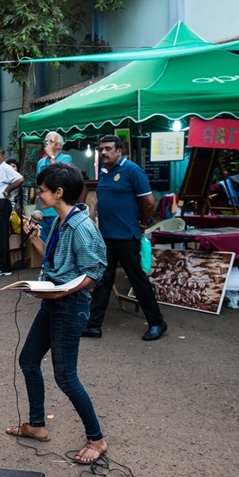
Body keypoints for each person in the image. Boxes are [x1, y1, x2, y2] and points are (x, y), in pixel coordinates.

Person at [6, 162, 108, 465]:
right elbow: (56, 265)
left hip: (69, 306)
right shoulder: (61, 223)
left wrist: (64, 292)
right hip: (52, 302)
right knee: (28, 361)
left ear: (59, 193)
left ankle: (97, 438)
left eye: (43, 190)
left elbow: (95, 271)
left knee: (66, 377)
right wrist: (35, 237)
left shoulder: (81, 227)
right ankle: (37, 425)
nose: (39, 195)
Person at [85, 135, 167, 341]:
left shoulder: (132, 170)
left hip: (127, 235)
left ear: (119, 151)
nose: (103, 152)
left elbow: (149, 201)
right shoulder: (104, 172)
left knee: (137, 280)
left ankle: (157, 322)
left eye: (108, 149)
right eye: (101, 149)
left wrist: (143, 221)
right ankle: (94, 324)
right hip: (107, 236)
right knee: (103, 280)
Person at [0, 147, 24, 277]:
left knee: (1, 236)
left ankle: (4, 267)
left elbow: (20, 179)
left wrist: (8, 189)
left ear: (2, 156)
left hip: (0, 204)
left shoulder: (6, 168)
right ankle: (1, 264)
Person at [35, 132, 73, 241]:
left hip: (57, 210)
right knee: (45, 244)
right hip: (43, 210)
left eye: (51, 141)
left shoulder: (66, 158)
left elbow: (58, 177)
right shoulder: (41, 162)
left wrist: (51, 156)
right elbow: (39, 186)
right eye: (46, 141)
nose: (47, 143)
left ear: (59, 145)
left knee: (57, 243)